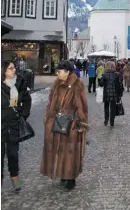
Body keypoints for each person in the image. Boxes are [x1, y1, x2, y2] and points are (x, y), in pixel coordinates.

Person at [40, 60, 88, 190]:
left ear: (67, 72)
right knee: (59, 149)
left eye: (59, 71)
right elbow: (50, 103)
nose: (57, 73)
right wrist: (48, 118)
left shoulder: (77, 84)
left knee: (70, 151)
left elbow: (82, 106)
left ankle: (70, 177)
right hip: (56, 121)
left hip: (71, 123)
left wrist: (81, 123)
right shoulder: (56, 84)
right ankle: (62, 174)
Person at [1, 60, 32, 191]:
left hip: (14, 125)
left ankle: (15, 177)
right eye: (10, 68)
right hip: (1, 125)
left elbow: (26, 100)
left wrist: (23, 116)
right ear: (3, 71)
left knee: (13, 154)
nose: (14, 70)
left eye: (14, 68)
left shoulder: (19, 83)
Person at [100, 61, 123, 127]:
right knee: (113, 108)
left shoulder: (104, 75)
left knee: (106, 107)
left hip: (106, 93)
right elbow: (120, 85)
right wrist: (120, 94)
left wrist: (102, 78)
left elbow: (101, 84)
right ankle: (112, 121)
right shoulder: (117, 74)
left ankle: (106, 120)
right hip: (114, 94)